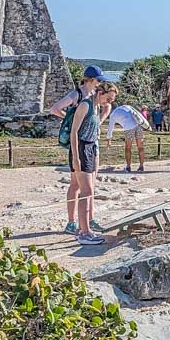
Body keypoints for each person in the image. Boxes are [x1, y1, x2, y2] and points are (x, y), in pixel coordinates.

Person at [52, 66, 107, 234]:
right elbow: (55, 108)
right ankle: (72, 222)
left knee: (87, 184)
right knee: (78, 185)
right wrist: (72, 118)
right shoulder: (77, 94)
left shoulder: (92, 95)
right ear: (90, 80)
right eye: (98, 80)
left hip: (91, 142)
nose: (100, 83)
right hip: (80, 143)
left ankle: (89, 219)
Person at [68, 73, 105, 245]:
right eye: (107, 98)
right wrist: (76, 158)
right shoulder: (85, 104)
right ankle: (84, 232)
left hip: (90, 148)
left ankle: (86, 228)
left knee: (88, 190)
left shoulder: (96, 107)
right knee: (86, 191)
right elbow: (74, 131)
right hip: (81, 148)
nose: (108, 103)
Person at [106, 101, 150, 172]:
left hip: (129, 128)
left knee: (128, 148)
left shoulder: (113, 115)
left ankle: (128, 167)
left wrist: (108, 139)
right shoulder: (126, 106)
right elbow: (137, 113)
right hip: (138, 125)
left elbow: (110, 128)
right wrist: (145, 124)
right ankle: (141, 166)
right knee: (140, 147)